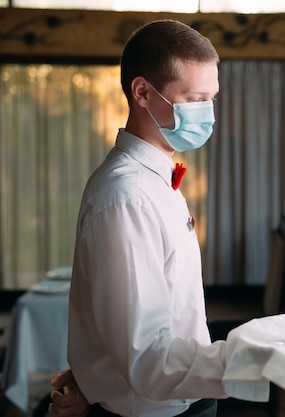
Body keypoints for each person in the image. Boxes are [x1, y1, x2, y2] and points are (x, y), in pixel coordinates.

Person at [49, 19, 226, 417]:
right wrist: (255, 363)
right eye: (194, 98)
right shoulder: (126, 197)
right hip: (156, 409)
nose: (207, 114)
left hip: (182, 395)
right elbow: (144, 353)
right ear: (143, 92)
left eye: (210, 99)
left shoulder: (155, 179)